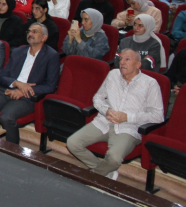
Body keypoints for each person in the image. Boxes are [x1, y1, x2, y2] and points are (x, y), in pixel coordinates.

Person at [67, 49, 164, 180]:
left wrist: (128, 117)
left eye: (127, 59)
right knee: (72, 143)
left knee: (113, 158)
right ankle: (106, 172)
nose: (122, 62)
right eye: (121, 59)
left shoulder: (150, 84)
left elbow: (158, 115)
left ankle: (94, 176)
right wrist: (106, 110)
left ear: (138, 64)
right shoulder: (113, 74)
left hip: (128, 128)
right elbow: (97, 98)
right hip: (104, 122)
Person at [0, 23, 60, 144]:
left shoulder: (51, 56)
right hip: (6, 90)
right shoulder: (18, 52)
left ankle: (12, 151)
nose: (30, 34)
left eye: (35, 32)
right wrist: (17, 84)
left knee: (6, 117)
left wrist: (23, 91)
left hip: (28, 97)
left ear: (44, 37)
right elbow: (2, 76)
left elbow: (51, 86)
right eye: (29, 31)